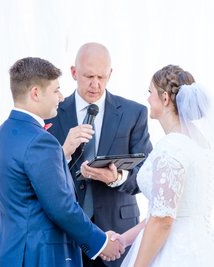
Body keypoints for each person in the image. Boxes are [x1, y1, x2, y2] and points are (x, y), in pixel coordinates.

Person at [0, 57, 124, 267]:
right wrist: (101, 242)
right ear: (35, 93)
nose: (60, 97)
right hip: (40, 257)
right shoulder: (40, 141)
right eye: (56, 90)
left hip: (9, 253)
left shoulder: (0, 135)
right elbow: (62, 207)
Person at [45, 43, 153, 267]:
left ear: (110, 74)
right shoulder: (51, 113)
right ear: (74, 73)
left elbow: (147, 175)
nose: (96, 85)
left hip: (118, 235)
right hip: (66, 237)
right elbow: (41, 175)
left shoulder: (134, 113)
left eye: (102, 77)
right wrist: (63, 153)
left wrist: (117, 178)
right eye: (88, 76)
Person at [111, 65, 214, 266]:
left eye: (150, 92)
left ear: (165, 98)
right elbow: (163, 211)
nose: (147, 99)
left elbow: (163, 220)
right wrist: (125, 239)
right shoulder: (200, 143)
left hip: (174, 252)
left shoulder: (172, 146)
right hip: (203, 248)